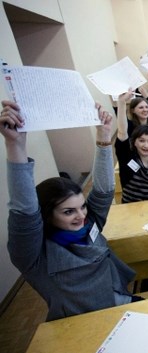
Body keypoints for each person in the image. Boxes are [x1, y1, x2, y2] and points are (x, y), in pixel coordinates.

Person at [2, 100, 138, 322]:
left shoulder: (89, 224)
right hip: (81, 327)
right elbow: (24, 212)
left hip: (121, 305)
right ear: (46, 215)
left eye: (82, 206)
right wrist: (15, 146)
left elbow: (103, 191)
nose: (81, 216)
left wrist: (104, 137)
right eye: (68, 212)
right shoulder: (34, 255)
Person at [115, 91, 148, 203]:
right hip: (129, 209)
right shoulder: (127, 159)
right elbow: (122, 132)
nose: (146, 145)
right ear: (134, 142)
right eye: (141, 141)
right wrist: (121, 103)